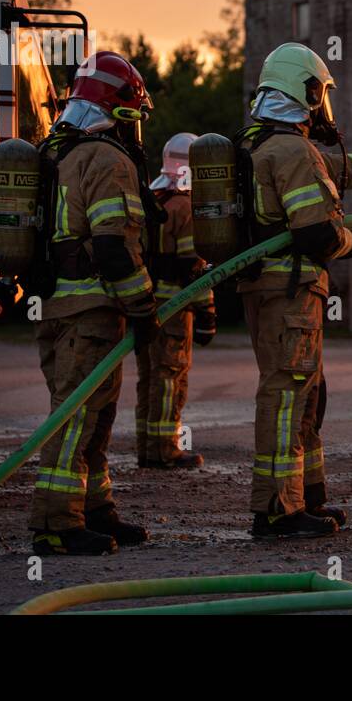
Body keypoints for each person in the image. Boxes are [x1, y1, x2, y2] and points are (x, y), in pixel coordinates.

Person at [237, 42, 352, 539]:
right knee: (287, 394)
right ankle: (277, 510)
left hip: (269, 288)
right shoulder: (293, 151)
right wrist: (350, 243)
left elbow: (335, 171)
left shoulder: (259, 145)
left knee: (306, 394)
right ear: (309, 92)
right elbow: (315, 232)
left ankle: (306, 498)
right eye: (322, 95)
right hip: (290, 291)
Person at [28, 51, 161, 556]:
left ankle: (96, 511)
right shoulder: (106, 159)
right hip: (89, 311)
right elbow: (113, 247)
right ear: (121, 110)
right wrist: (145, 309)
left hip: (58, 308)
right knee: (78, 414)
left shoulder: (53, 153)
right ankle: (55, 524)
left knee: (96, 414)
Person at [135, 131, 213, 469]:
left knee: (149, 378)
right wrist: (208, 313)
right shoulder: (186, 207)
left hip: (144, 306)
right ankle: (166, 450)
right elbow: (193, 269)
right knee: (170, 379)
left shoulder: (151, 200)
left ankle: (147, 448)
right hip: (174, 309)